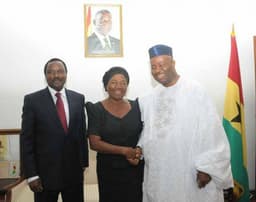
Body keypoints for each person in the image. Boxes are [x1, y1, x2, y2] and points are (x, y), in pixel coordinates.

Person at [137, 44, 233, 202]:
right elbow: (149, 131)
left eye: (161, 65)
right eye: (153, 67)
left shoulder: (195, 91)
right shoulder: (150, 97)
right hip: (161, 172)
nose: (157, 70)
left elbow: (211, 131)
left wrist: (207, 168)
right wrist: (140, 148)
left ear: (173, 63)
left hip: (190, 170)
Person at [20, 58, 88, 202]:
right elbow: (26, 140)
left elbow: (81, 133)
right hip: (44, 177)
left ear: (66, 74)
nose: (56, 75)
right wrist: (31, 175)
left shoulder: (78, 98)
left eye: (60, 71)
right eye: (50, 72)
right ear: (45, 76)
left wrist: (83, 163)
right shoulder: (32, 100)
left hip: (73, 175)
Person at [86, 67, 144, 202]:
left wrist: (138, 151)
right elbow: (94, 143)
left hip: (135, 169)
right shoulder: (96, 109)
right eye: (113, 82)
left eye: (123, 83)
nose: (119, 86)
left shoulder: (137, 106)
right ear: (106, 86)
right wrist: (124, 151)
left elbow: (144, 134)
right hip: (109, 171)